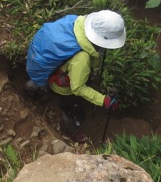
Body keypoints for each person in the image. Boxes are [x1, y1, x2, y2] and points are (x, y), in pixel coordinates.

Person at [25, 10, 126, 142]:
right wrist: (103, 100)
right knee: (73, 110)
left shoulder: (76, 22)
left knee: (58, 85)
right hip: (63, 88)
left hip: (54, 69)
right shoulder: (82, 58)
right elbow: (77, 88)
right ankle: (72, 129)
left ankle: (33, 87)